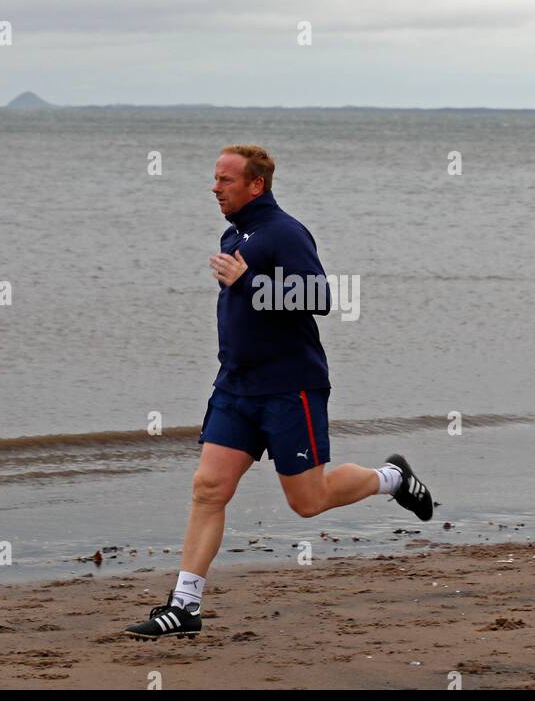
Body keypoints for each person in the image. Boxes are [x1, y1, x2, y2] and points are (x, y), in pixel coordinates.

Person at [124, 144, 434, 640]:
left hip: (291, 390)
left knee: (308, 503)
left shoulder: (286, 233)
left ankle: (392, 478)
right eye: (214, 178)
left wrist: (248, 281)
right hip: (236, 387)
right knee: (208, 488)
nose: (214, 187)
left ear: (255, 185)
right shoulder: (236, 232)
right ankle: (185, 606)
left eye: (225, 180)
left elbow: (320, 298)